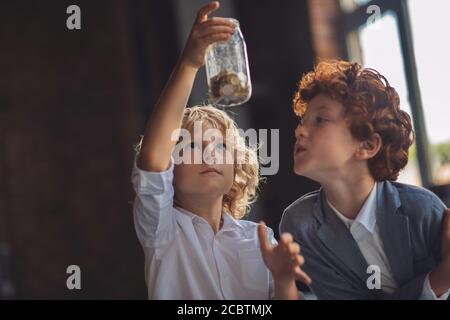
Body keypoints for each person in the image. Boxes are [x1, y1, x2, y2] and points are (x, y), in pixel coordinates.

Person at [131, 1, 310, 299]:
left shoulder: (259, 239)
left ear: (237, 168)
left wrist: (283, 281)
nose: (210, 154)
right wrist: (189, 62)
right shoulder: (161, 230)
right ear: (169, 168)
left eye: (221, 146)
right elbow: (152, 158)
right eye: (192, 147)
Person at [280, 60, 450, 299]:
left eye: (320, 120)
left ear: (367, 145)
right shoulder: (300, 224)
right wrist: (440, 279)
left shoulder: (423, 210)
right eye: (302, 121)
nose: (299, 131)